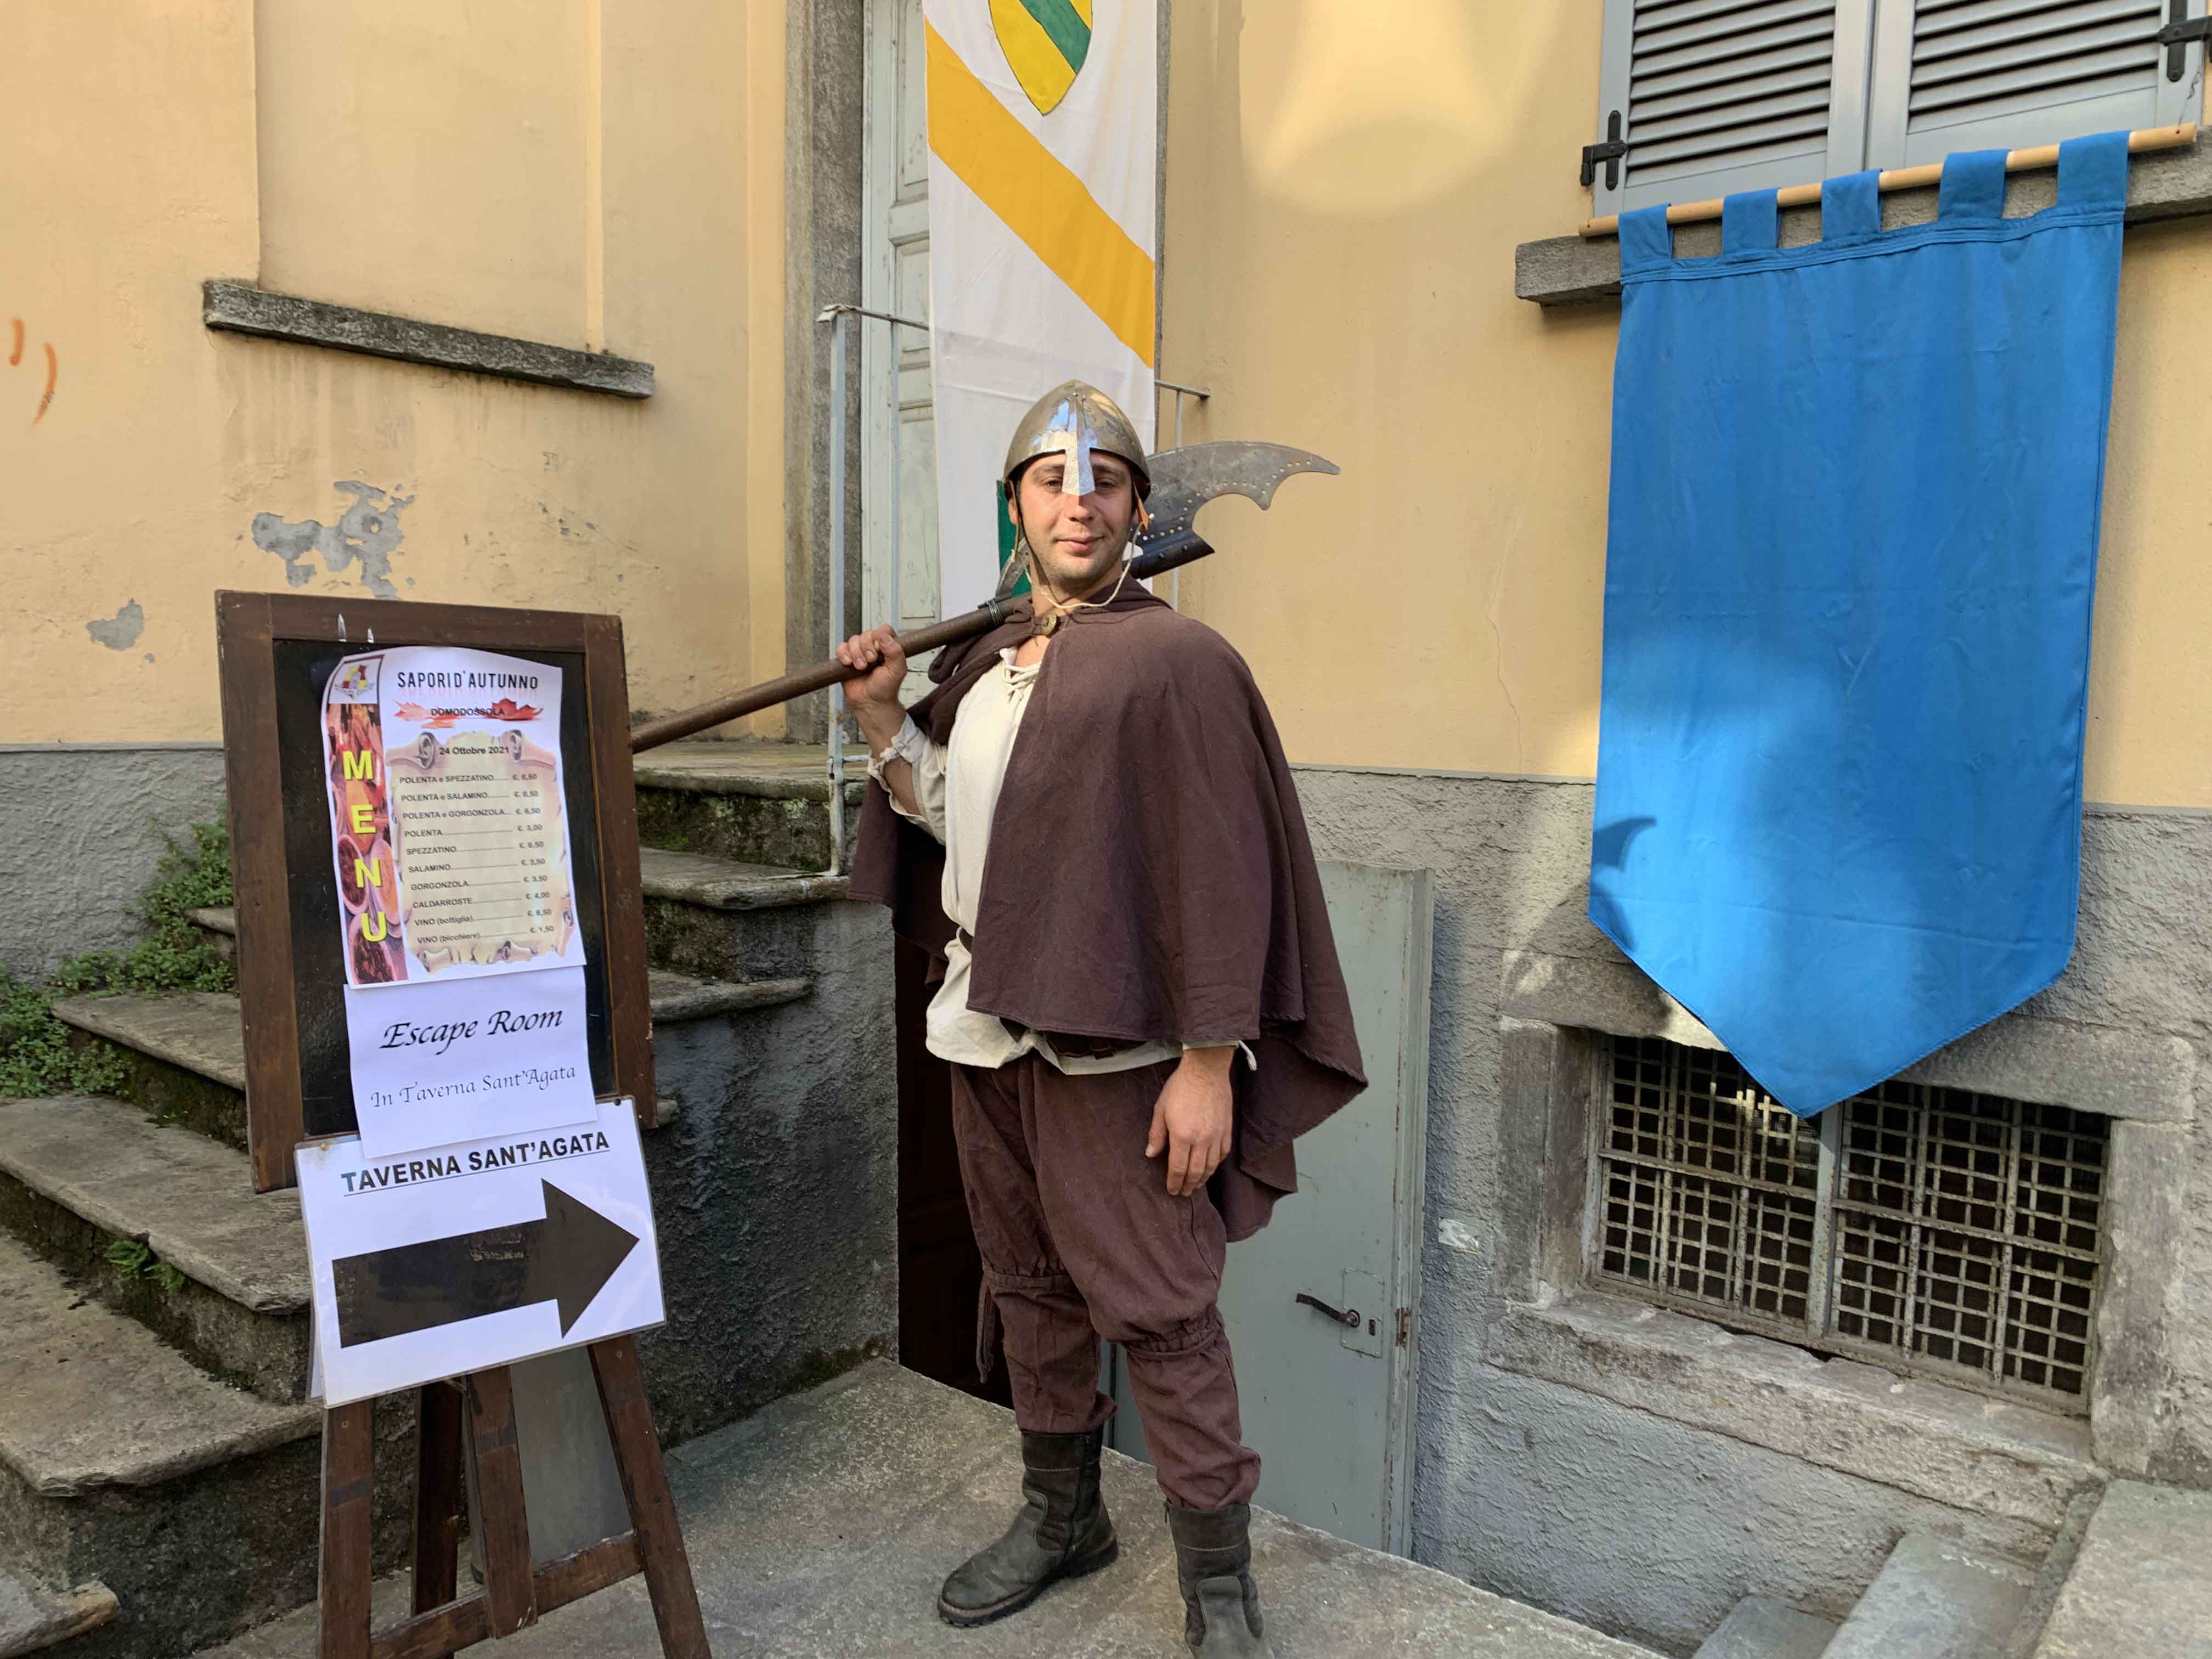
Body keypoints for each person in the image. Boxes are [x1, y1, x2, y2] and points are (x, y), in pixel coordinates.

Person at [843, 382, 1364, 1657]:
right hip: (986, 1035)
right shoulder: (983, 663)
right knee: (1029, 1291)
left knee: (1163, 1310)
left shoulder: (1182, 665)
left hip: (1122, 1056)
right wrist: (883, 719)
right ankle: (1063, 1518)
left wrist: (1208, 1065)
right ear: (1016, 508)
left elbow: (1224, 875)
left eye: (1105, 482)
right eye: (1051, 481)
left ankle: (1220, 1593)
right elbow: (955, 821)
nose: (1078, 502)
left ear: (1140, 510)